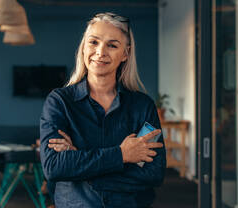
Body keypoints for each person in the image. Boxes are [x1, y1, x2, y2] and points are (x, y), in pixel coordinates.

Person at [40, 12, 166, 208]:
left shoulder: (143, 106)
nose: (101, 52)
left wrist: (80, 166)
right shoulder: (59, 102)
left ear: (125, 53)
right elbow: (54, 167)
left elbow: (153, 173)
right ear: (83, 47)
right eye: (94, 42)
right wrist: (121, 155)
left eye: (112, 45)